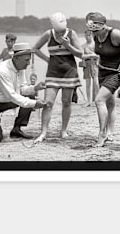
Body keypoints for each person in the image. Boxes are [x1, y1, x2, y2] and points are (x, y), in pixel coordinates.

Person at [86, 12, 120, 147]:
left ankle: (102, 134)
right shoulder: (95, 36)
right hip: (102, 71)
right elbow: (86, 50)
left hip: (117, 72)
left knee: (99, 100)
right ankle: (110, 132)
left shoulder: (114, 34)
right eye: (92, 31)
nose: (94, 34)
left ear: (102, 27)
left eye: (96, 31)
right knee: (109, 103)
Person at [33, 12, 83, 143]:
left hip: (69, 72)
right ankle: (43, 132)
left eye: (62, 31)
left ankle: (64, 131)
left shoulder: (72, 34)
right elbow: (35, 49)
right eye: (58, 32)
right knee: (48, 103)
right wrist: (47, 60)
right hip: (53, 72)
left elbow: (80, 54)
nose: (60, 34)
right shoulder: (48, 34)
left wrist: (68, 45)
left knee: (66, 102)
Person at [80, 30, 99, 106]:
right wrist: (91, 55)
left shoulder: (95, 45)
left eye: (89, 35)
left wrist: (94, 57)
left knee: (96, 83)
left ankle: (97, 100)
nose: (88, 37)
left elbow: (99, 55)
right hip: (87, 64)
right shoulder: (83, 46)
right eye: (86, 35)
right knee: (88, 84)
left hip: (95, 64)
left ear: (92, 35)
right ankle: (88, 101)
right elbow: (82, 56)